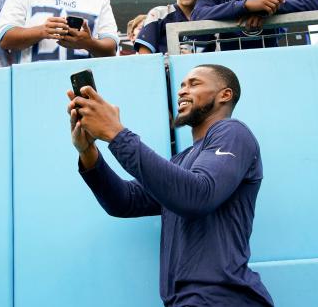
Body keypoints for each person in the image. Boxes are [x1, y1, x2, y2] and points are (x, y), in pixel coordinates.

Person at [67, 64, 274, 307]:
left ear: (224, 95)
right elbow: (124, 200)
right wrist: (88, 152)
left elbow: (198, 195)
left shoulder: (233, 132)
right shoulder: (182, 161)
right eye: (182, 85)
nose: (182, 91)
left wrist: (115, 132)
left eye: (194, 84)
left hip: (223, 298)